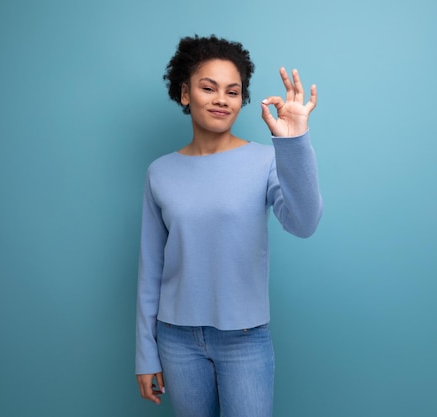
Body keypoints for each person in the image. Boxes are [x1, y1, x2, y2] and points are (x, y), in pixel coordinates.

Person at [135, 34, 323, 417]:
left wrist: (295, 141)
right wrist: (145, 352)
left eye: (233, 91)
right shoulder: (160, 172)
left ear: (241, 100)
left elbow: (304, 223)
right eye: (209, 88)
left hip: (245, 339)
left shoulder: (265, 160)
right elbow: (150, 267)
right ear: (185, 94)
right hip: (176, 339)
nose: (222, 99)